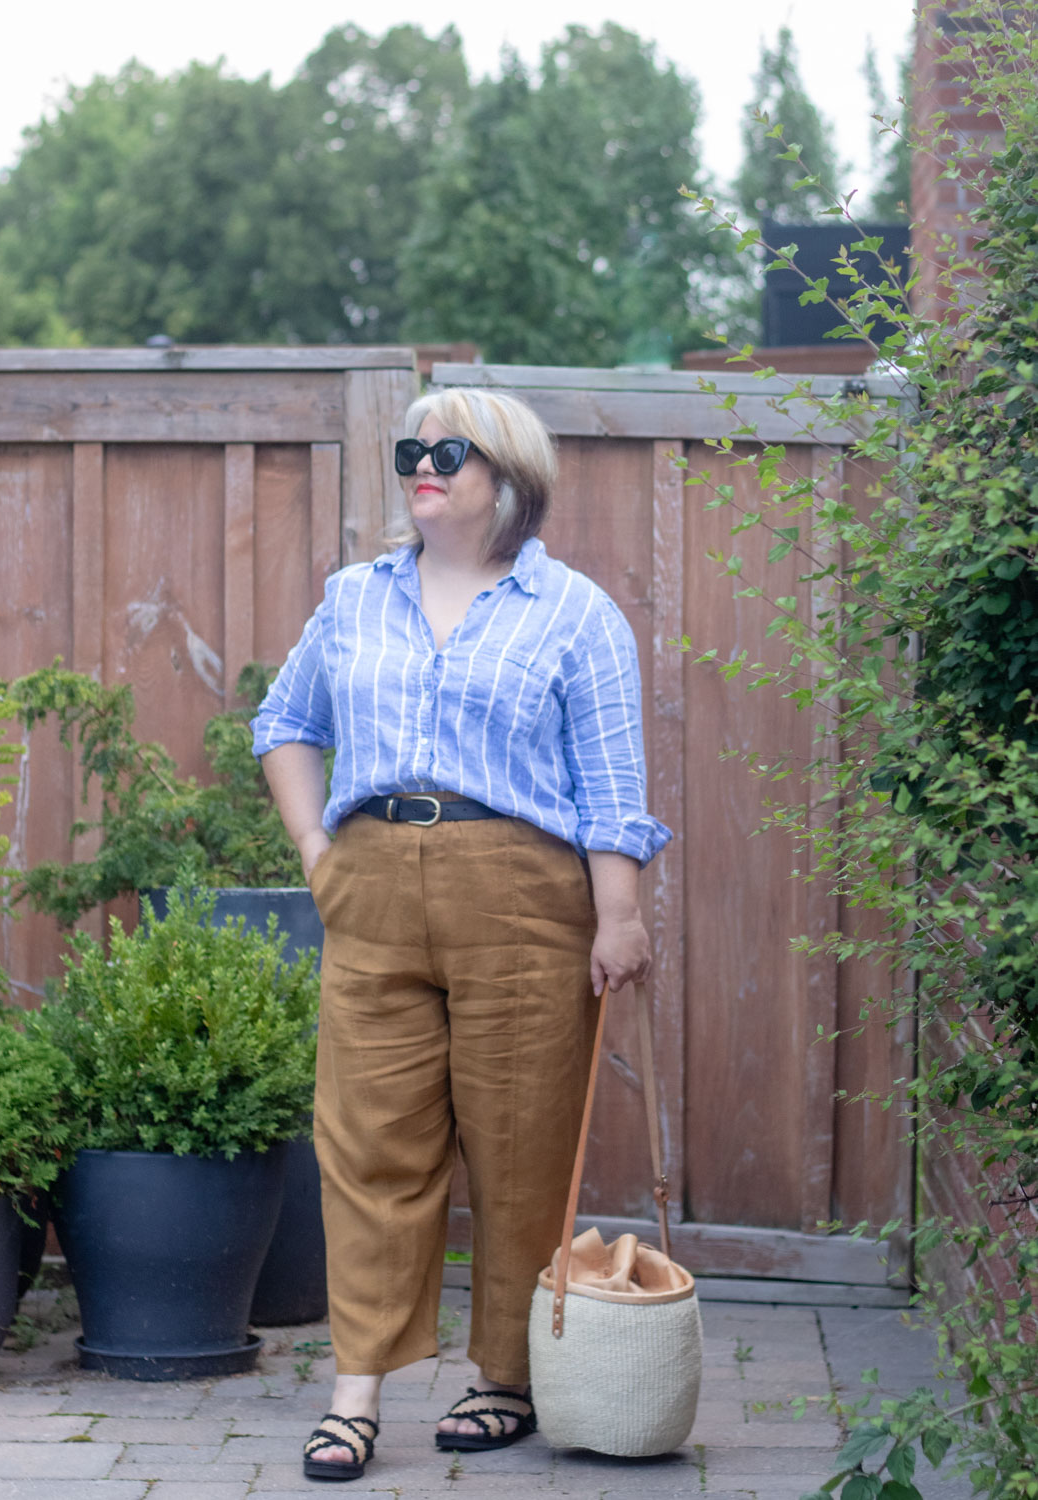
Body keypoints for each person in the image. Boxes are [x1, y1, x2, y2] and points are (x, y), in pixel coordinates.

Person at [251, 386, 670, 1482]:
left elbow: (609, 788)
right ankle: (356, 1392)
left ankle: (505, 1378)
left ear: (507, 475)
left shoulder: (573, 613)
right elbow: (287, 723)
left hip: (524, 894)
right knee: (366, 1142)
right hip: (374, 883)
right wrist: (313, 847)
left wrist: (616, 915)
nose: (420, 467)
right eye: (411, 450)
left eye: (447, 451)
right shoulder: (353, 599)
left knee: (519, 1146)